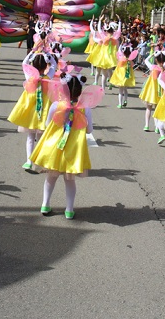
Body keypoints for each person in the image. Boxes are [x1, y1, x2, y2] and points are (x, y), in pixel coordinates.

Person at [30, 74, 103, 220]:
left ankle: (45, 204)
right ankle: (69, 210)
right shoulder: (85, 108)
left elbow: (47, 124)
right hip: (73, 149)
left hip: (55, 147)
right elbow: (89, 130)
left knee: (51, 178)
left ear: (64, 89)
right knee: (70, 180)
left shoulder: (56, 105)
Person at [8, 53, 57, 170]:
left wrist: (31, 53)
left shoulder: (29, 76)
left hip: (32, 111)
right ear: (46, 66)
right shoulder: (48, 77)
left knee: (30, 137)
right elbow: (54, 65)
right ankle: (39, 161)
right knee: (40, 138)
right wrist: (49, 57)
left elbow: (24, 63)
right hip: (44, 110)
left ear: (32, 65)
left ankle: (28, 161)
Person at [139, 50, 165, 131]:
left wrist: (152, 54)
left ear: (156, 60)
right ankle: (157, 127)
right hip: (160, 90)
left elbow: (146, 60)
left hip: (151, 89)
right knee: (157, 109)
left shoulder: (153, 67)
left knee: (148, 108)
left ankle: (147, 125)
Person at [109, 42, 137, 108]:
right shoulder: (130, 61)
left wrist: (121, 44)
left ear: (123, 52)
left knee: (120, 91)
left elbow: (119, 51)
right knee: (125, 89)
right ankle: (125, 100)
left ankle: (120, 104)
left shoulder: (121, 59)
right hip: (127, 76)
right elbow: (132, 66)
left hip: (121, 77)